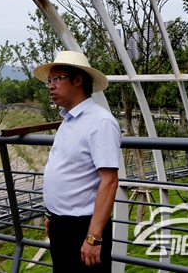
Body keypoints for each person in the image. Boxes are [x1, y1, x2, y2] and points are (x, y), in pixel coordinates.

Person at [34, 51, 121, 273]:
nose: (50, 86)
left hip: (84, 228)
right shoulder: (69, 120)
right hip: (60, 226)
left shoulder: (100, 122)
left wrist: (93, 237)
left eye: (56, 79)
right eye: (48, 81)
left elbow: (110, 181)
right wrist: (53, 216)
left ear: (78, 80)